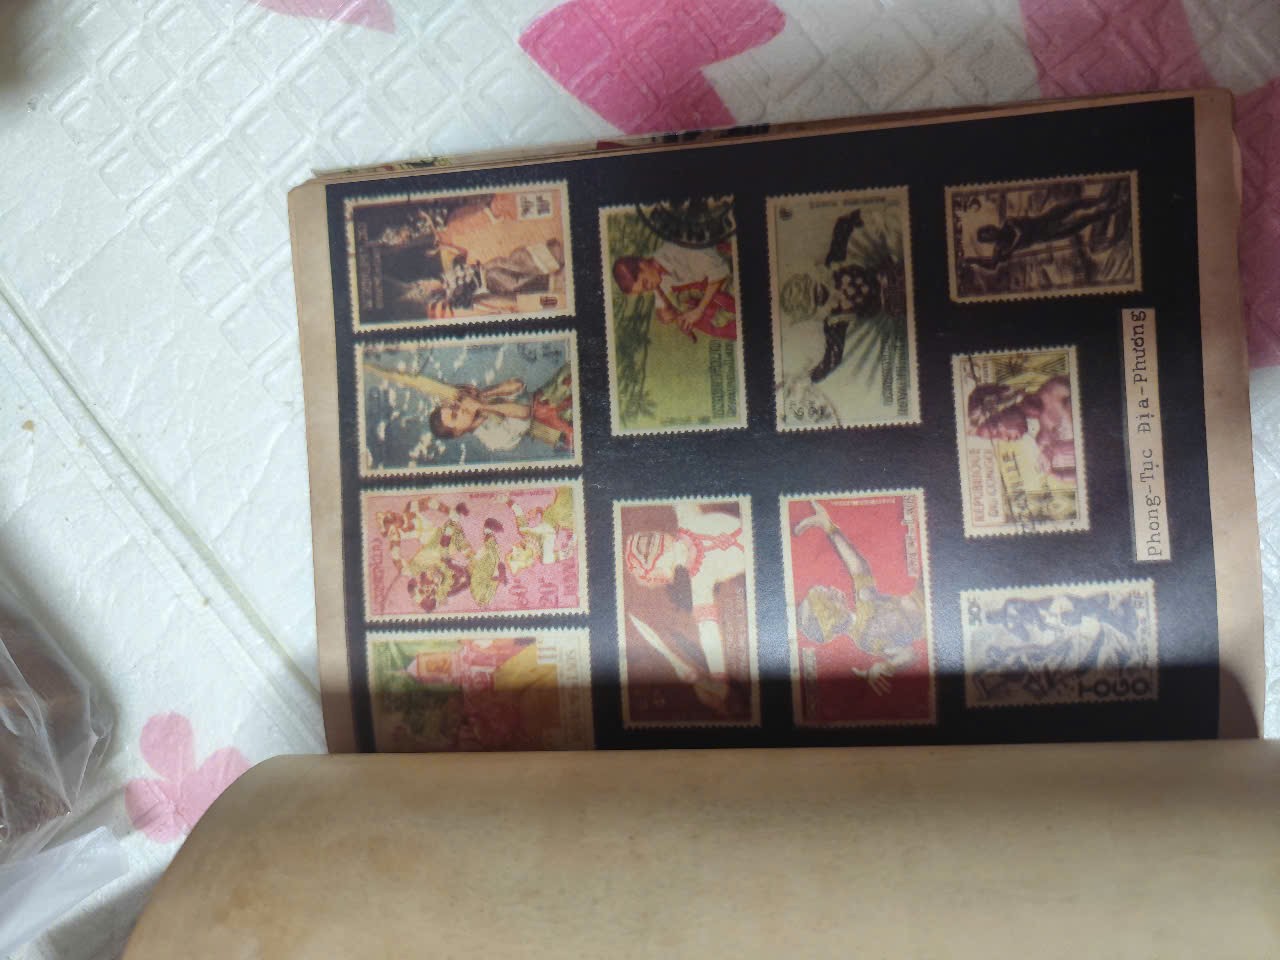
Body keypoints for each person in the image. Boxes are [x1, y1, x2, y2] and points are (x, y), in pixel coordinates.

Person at [621, 503, 746, 713]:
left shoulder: (687, 519)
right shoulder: (699, 581)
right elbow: (708, 632)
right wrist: (718, 677)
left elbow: (708, 632)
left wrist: (718, 678)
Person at [792, 500, 925, 696]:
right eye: (828, 597)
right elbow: (909, 653)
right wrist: (887, 667)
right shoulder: (865, 635)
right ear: (830, 616)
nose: (832, 589)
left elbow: (858, 569)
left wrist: (829, 528)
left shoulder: (863, 611)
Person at [961, 189, 1127, 271]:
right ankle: (1113, 209)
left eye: (988, 231)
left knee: (1074, 205)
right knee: (1083, 220)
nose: (991, 234)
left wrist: (1011, 249)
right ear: (989, 241)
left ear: (991, 227)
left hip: (1047, 219)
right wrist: (973, 260)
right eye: (987, 237)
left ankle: (1103, 199)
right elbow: (992, 265)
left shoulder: (1008, 223)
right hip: (1050, 234)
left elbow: (1020, 234)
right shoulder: (1000, 248)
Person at [427, 364, 574, 454]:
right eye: (455, 416)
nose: (460, 410)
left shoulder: (480, 401)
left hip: (553, 391)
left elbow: (518, 385)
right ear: (457, 433)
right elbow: (524, 411)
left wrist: (483, 394)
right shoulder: (491, 439)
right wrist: (483, 406)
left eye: (454, 407)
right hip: (556, 425)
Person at [612, 241, 737, 342]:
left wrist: (699, 310)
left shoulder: (677, 251)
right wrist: (679, 319)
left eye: (645, 283)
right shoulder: (656, 278)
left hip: (733, 271)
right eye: (644, 290)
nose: (649, 287)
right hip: (719, 293)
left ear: (643, 264)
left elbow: (719, 272)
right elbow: (663, 312)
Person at [967, 374, 1075, 482]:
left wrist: (1054, 449)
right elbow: (1080, 473)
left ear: (1003, 408)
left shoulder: (1055, 390)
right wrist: (1053, 473)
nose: (1005, 439)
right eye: (998, 438)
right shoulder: (1042, 441)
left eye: (997, 432)